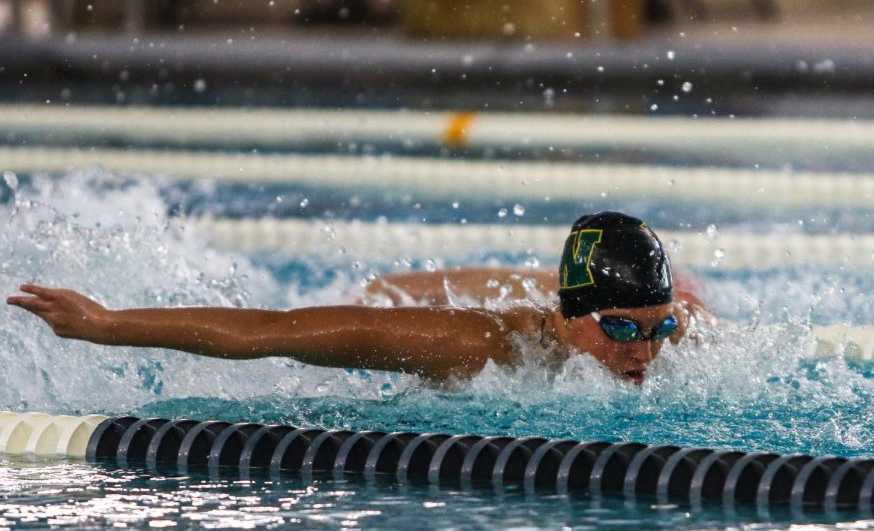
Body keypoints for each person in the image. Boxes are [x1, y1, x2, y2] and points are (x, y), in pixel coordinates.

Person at [7, 212, 711, 386]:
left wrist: (673, 321)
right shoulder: (476, 347)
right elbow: (275, 330)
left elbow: (676, 322)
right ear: (568, 315)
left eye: (660, 327)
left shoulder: (665, 333)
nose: (644, 351)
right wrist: (106, 324)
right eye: (621, 328)